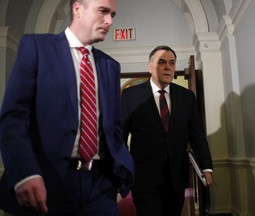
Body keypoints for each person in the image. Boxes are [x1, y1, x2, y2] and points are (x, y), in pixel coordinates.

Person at [0, 0, 134, 215]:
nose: (109, 21)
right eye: (103, 11)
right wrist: (26, 173)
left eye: (113, 15)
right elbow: (13, 118)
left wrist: (120, 173)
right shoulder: (36, 47)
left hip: (100, 185)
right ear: (78, 9)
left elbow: (113, 128)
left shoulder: (111, 66)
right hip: (47, 180)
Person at [121, 45, 213, 216]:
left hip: (176, 178)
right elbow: (120, 137)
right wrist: (121, 169)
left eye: (172, 63)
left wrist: (206, 166)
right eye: (162, 62)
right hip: (144, 177)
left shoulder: (186, 97)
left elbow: (197, 135)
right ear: (150, 67)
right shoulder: (130, 96)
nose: (168, 67)